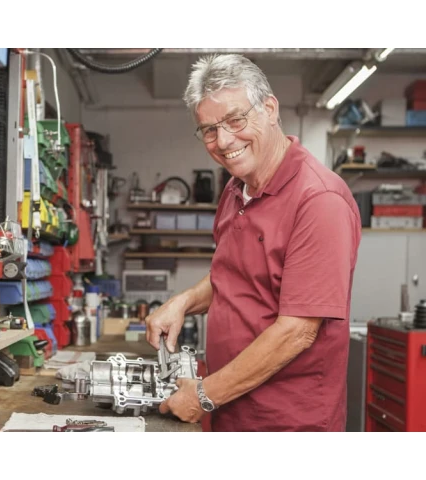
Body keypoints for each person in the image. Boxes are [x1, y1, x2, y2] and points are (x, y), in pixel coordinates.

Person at [146, 54, 362, 432]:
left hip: (287, 425)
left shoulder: (319, 200)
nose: (223, 141)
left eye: (235, 120)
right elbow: (237, 275)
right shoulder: (236, 190)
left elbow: (298, 330)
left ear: (270, 109)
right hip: (230, 408)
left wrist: (203, 395)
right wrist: (184, 302)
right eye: (209, 130)